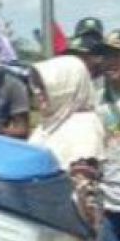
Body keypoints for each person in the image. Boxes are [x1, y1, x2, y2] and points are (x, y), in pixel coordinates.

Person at [29, 40, 105, 227]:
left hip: (65, 227)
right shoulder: (48, 125)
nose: (38, 93)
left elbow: (85, 194)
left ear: (66, 87)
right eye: (36, 86)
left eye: (45, 87)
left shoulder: (84, 126)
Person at [86, 31, 120, 241]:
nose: (110, 61)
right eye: (107, 54)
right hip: (110, 200)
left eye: (117, 54)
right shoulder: (95, 96)